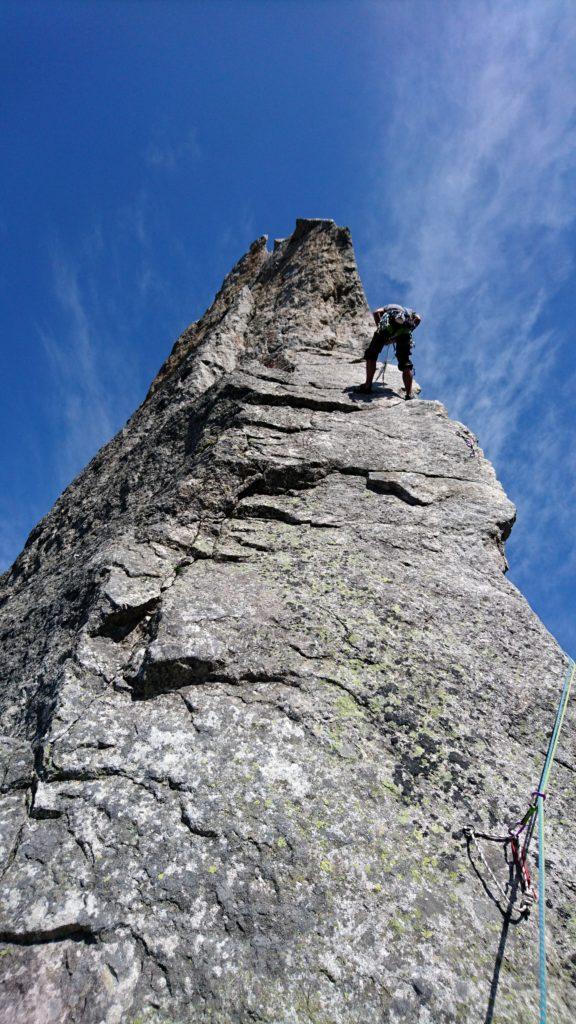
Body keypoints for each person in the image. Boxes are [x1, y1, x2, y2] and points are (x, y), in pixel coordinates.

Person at [356, 305, 421, 399]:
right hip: (404, 331)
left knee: (371, 354)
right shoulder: (409, 312)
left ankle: (367, 385)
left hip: (388, 327)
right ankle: (409, 394)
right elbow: (418, 318)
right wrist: (410, 329)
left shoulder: (389, 307)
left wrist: (380, 329)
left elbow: (376, 312)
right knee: (405, 362)